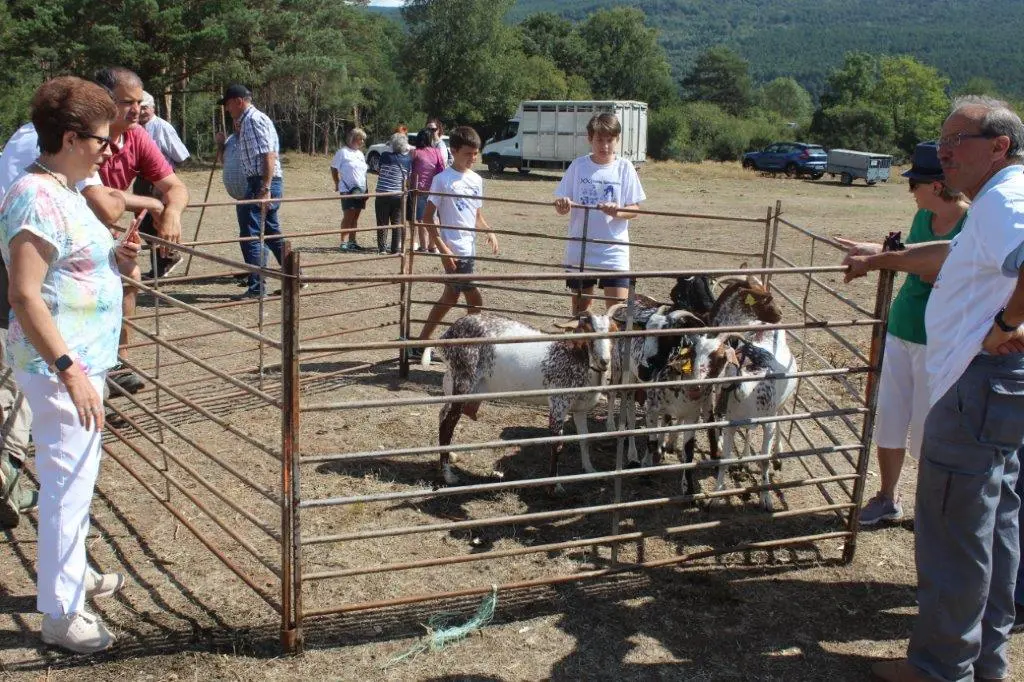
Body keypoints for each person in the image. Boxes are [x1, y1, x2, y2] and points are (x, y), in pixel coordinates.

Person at [843, 96, 1024, 682]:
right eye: (942, 141)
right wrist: (886, 258)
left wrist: (1007, 326)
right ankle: (983, 662)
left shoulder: (1002, 199)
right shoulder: (1000, 201)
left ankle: (940, 669)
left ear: (999, 147)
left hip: (975, 384)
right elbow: (961, 255)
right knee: (992, 526)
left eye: (957, 141)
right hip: (993, 390)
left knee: (953, 530)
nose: (943, 152)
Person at [0, 76, 140, 654]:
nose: (111, 150)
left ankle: (70, 574)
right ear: (68, 137)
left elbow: (73, 263)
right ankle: (62, 613)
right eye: (102, 140)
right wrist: (68, 367)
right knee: (67, 485)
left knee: (75, 482)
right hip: (61, 366)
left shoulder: (67, 188)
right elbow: (26, 294)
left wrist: (117, 256)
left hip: (78, 363)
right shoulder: (36, 196)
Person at [835, 141, 968, 526]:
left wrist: (885, 259)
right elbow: (913, 257)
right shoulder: (924, 220)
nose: (910, 191)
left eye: (915, 184)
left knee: (929, 429)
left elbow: (929, 267)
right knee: (890, 417)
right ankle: (887, 498)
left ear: (937, 186)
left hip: (939, 341)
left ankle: (929, 507)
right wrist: (873, 249)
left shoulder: (971, 224)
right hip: (902, 328)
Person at [83, 67, 189, 396]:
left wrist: (171, 210)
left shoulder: (137, 136)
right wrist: (154, 206)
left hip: (102, 228)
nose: (137, 109)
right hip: (71, 227)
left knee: (130, 272)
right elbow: (101, 201)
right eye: (127, 102)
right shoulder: (82, 135)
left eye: (140, 102)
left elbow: (175, 186)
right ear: (103, 100)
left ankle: (117, 362)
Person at [409, 127, 498, 361]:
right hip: (452, 249)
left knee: (449, 297)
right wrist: (443, 248)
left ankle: (422, 343)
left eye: (476, 154)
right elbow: (428, 218)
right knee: (475, 299)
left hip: (469, 248)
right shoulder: (442, 180)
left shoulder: (477, 180)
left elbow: (476, 215)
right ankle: (472, 344)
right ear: (454, 151)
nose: (473, 158)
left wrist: (489, 231)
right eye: (468, 154)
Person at [554, 112, 646, 314]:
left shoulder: (625, 168)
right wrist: (563, 204)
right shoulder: (578, 166)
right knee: (581, 314)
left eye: (610, 140)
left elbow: (635, 209)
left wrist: (618, 212)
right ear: (590, 139)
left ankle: (614, 346)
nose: (604, 146)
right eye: (599, 140)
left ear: (617, 140)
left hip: (613, 251)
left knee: (617, 313)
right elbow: (561, 203)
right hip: (581, 250)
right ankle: (583, 345)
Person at [220, 83, 285, 298]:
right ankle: (295, 276)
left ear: (238, 101)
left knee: (251, 233)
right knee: (272, 232)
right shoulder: (248, 121)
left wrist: (264, 187)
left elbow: (267, 155)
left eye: (228, 105)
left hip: (262, 182)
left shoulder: (254, 120)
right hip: (261, 181)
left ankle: (257, 288)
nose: (227, 109)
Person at [134, 90, 190, 279]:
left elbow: (181, 154)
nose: (140, 112)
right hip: (141, 180)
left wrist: (164, 168)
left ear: (153, 108)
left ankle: (168, 259)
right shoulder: (134, 128)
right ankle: (161, 263)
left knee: (158, 221)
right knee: (144, 224)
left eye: (144, 108)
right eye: (138, 107)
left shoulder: (162, 127)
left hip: (160, 180)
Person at [374, 132, 412, 254]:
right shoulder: (408, 160)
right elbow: (407, 178)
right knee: (397, 223)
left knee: (382, 222)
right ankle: (395, 249)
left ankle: (382, 249)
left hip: (382, 194)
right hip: (397, 195)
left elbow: (378, 169)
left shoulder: (385, 156)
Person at [331, 128, 368, 252]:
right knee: (348, 215)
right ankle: (344, 242)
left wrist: (366, 188)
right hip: (347, 189)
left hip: (361, 189)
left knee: (356, 216)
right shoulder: (342, 152)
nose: (362, 141)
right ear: (353, 138)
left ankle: (353, 241)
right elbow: (334, 168)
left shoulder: (360, 154)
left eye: (363, 139)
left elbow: (363, 172)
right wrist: (337, 182)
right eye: (360, 139)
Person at [411, 128, 446, 253]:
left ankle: (424, 246)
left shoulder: (415, 153)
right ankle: (433, 245)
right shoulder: (437, 152)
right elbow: (441, 169)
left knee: (421, 218)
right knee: (434, 217)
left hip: (419, 189)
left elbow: (410, 170)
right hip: (434, 188)